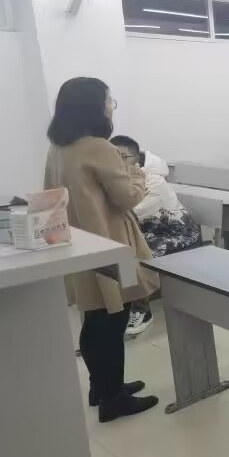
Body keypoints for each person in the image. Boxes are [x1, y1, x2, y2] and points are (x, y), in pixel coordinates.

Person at [44, 78, 159, 422]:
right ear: (94, 106)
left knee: (95, 317)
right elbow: (127, 197)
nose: (112, 106)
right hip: (109, 244)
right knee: (114, 317)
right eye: (109, 100)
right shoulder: (98, 147)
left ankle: (102, 387)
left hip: (79, 244)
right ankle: (112, 400)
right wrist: (136, 173)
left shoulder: (58, 148)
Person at [109, 135, 201, 335]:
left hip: (176, 233)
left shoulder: (154, 181)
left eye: (122, 157)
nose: (117, 162)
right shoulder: (120, 178)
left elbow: (131, 214)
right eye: (112, 156)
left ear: (136, 158)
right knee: (121, 248)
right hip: (147, 231)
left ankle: (140, 309)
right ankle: (124, 301)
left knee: (132, 255)